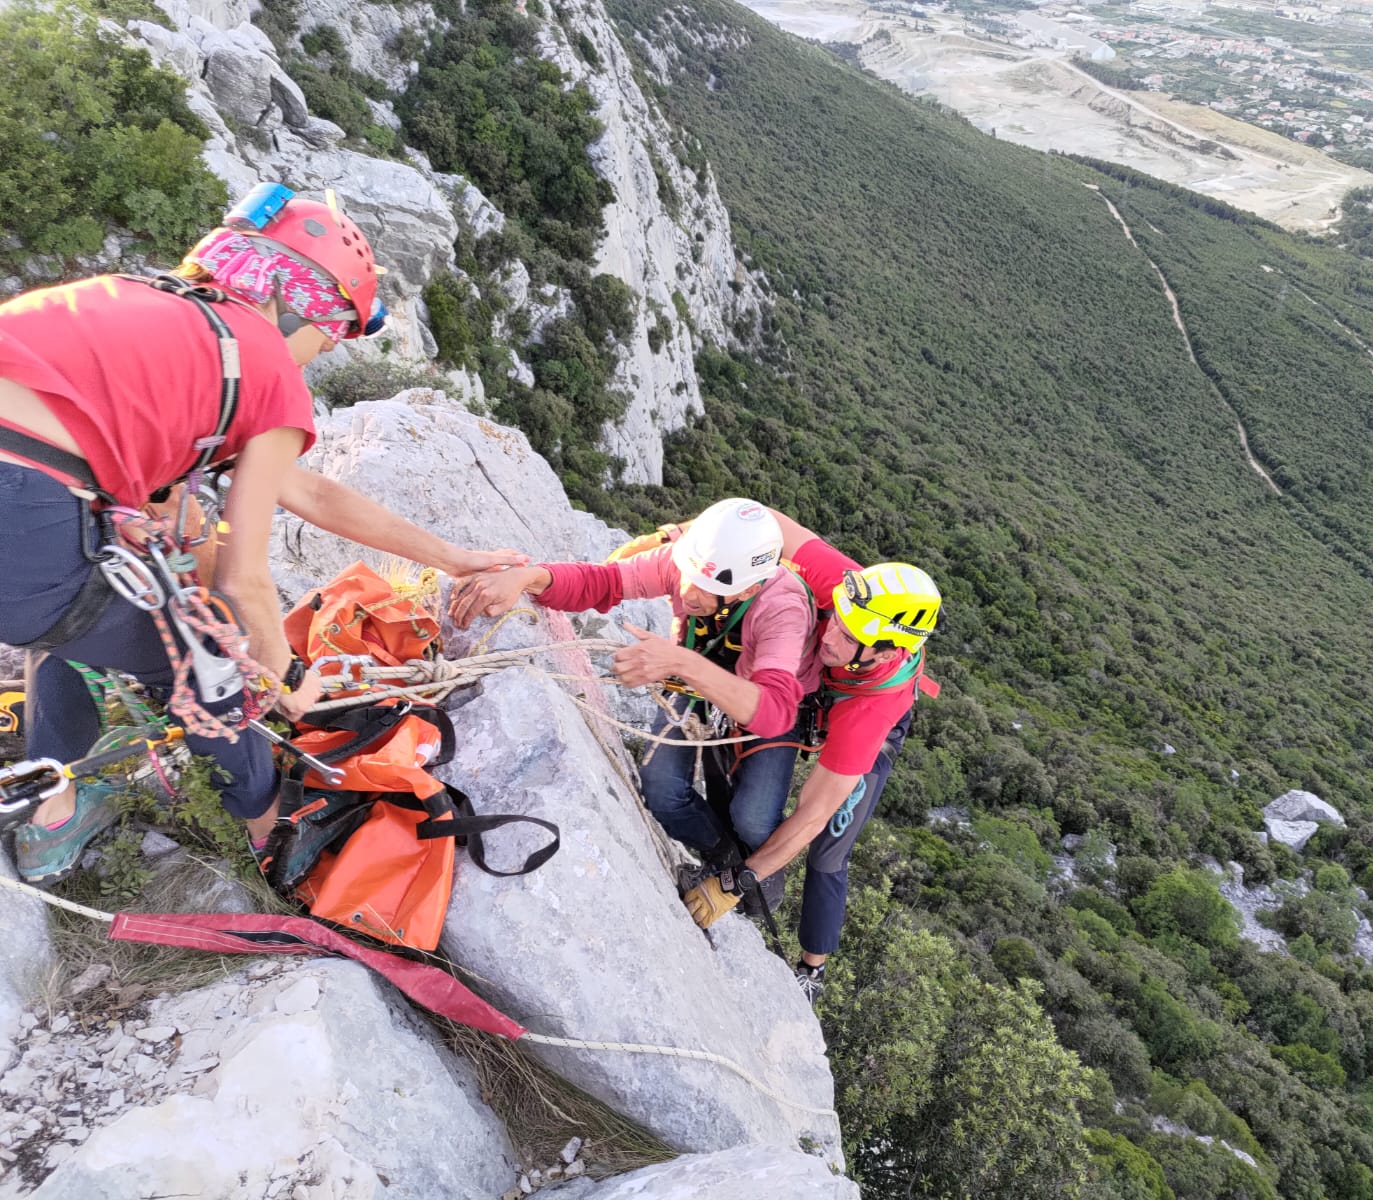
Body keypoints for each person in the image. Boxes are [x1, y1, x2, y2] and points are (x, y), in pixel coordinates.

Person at [0, 182, 523, 885]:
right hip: (22, 509)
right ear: (309, 306)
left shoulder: (144, 302)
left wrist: (451, 557)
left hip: (30, 505)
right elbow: (243, 580)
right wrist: (287, 677)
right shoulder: (263, 359)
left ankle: (56, 795)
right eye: (330, 336)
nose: (317, 354)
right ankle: (265, 832)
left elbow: (306, 489)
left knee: (91, 599)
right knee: (210, 657)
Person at [447, 498, 818, 876]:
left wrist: (680, 662)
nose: (689, 593)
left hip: (759, 695)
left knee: (753, 819)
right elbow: (602, 582)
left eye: (706, 589)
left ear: (746, 591)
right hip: (693, 674)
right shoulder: (686, 562)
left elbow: (774, 711)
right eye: (688, 574)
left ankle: (763, 871)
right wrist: (529, 577)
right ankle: (722, 857)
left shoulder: (782, 607)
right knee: (661, 792)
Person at [673, 511, 941, 1006]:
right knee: (748, 801)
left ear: (883, 654)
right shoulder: (849, 588)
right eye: (835, 615)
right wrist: (691, 538)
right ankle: (737, 854)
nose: (830, 633)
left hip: (854, 715)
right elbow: (765, 522)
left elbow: (812, 814)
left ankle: (812, 968)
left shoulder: (870, 710)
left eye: (847, 633)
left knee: (829, 849)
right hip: (800, 685)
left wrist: (733, 885)